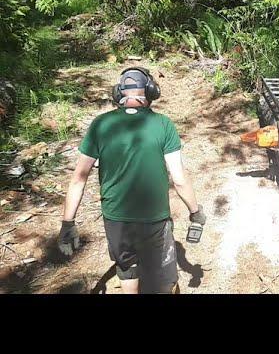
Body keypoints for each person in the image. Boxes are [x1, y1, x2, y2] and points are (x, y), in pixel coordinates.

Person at [57, 67, 206, 294]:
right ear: (151, 91)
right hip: (154, 220)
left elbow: (79, 178)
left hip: (116, 219)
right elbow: (179, 179)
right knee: (163, 282)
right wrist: (195, 211)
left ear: (119, 93)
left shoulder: (101, 124)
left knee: (126, 268)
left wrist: (68, 223)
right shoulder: (163, 124)